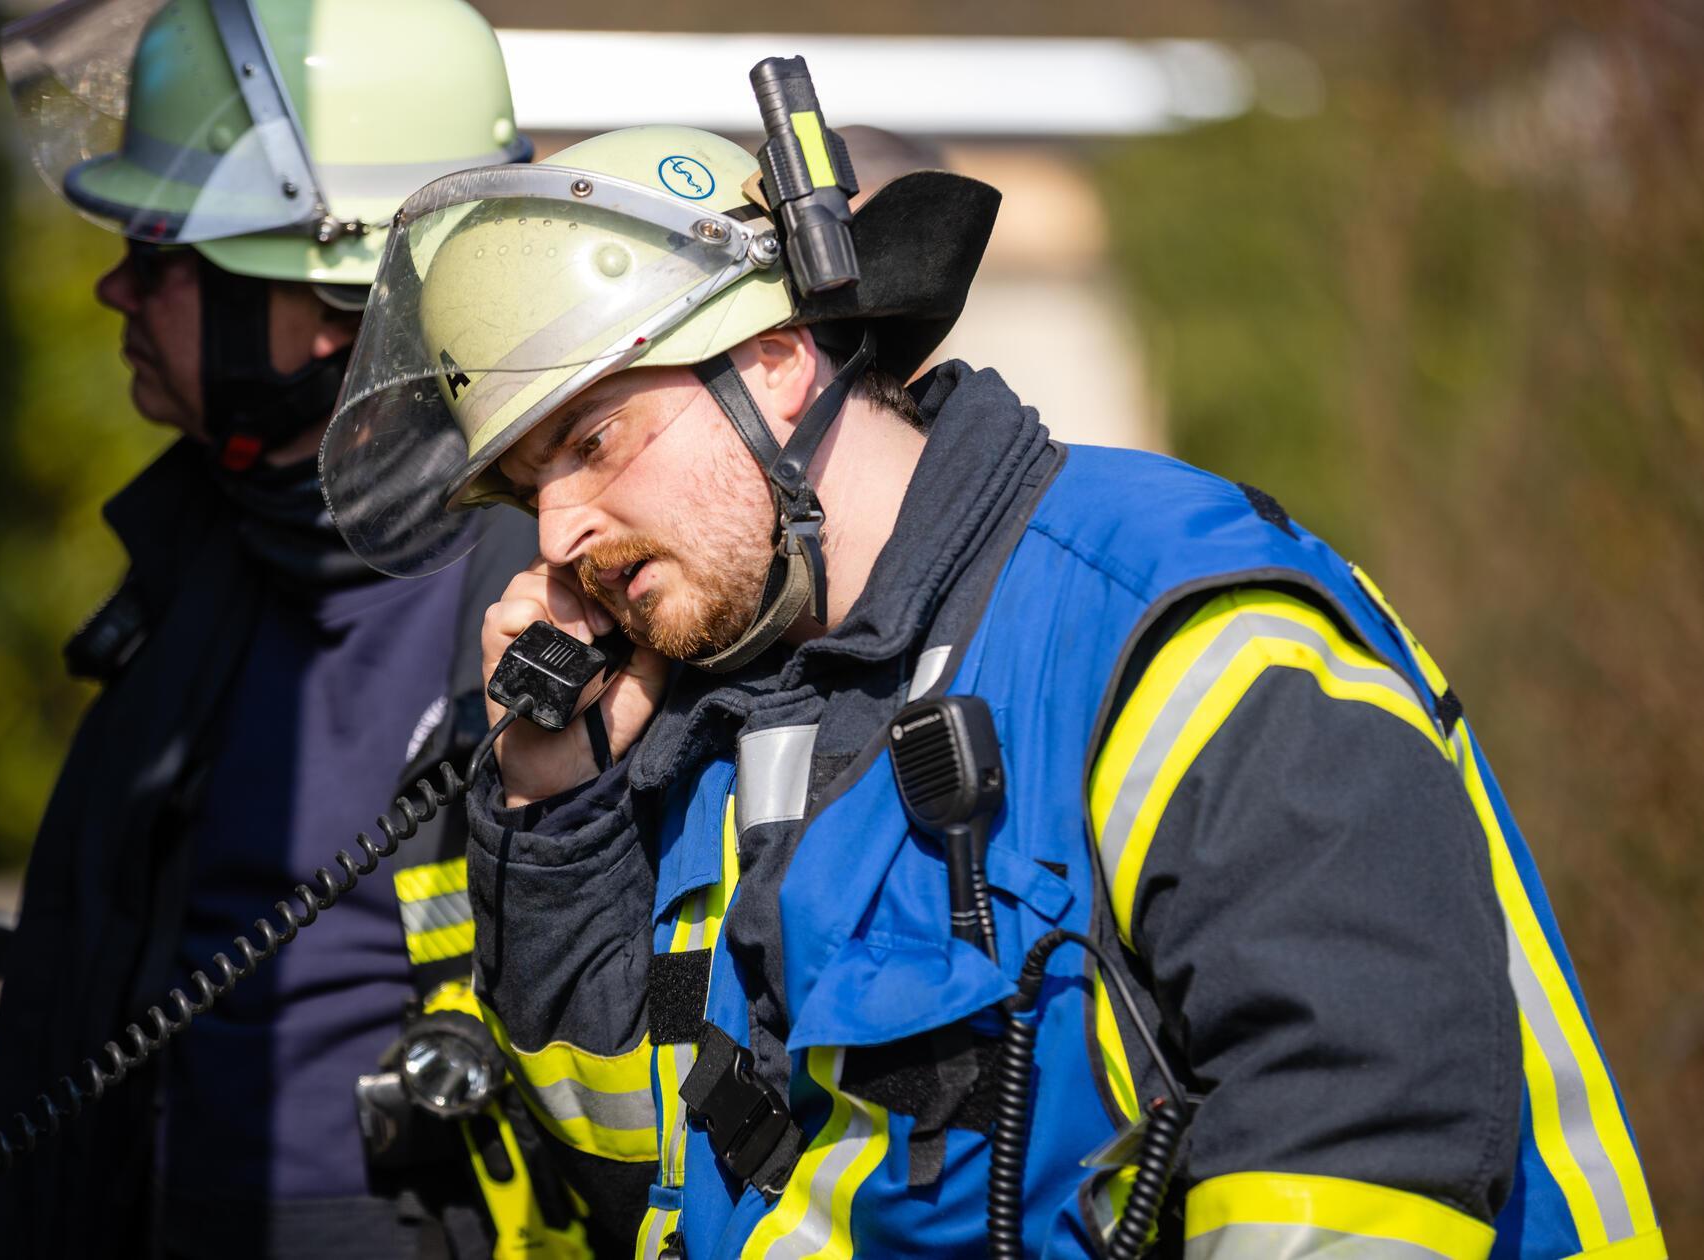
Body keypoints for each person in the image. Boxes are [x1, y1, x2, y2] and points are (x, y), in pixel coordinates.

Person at [319, 113, 1666, 1260]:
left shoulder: (1176, 627)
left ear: (774, 366)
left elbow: (1363, 1159)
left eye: (592, 441)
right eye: (527, 484)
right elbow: (638, 1152)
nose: (555, 535)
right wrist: (554, 821)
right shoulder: (723, 702)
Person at [0, 2, 554, 1257]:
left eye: (170, 256)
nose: (115, 285)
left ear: (331, 306)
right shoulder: (203, 557)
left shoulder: (546, 601)